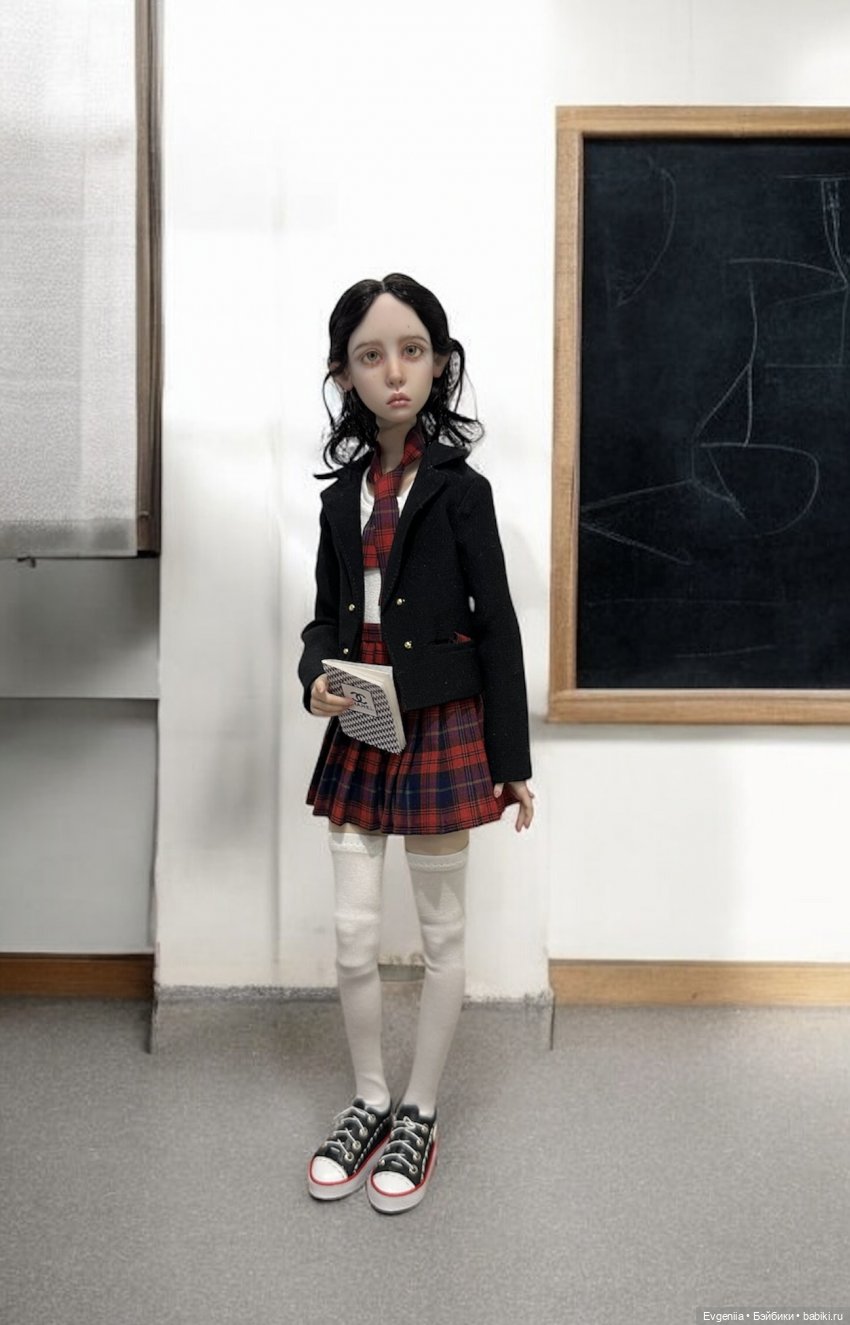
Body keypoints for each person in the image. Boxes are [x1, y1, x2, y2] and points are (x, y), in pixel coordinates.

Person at [298, 272, 534, 1214]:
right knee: (354, 932)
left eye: (412, 351)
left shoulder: (463, 493)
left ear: (439, 363)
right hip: (360, 720)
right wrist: (314, 676)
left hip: (442, 727)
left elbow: (500, 625)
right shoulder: (338, 498)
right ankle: (367, 1097)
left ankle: (420, 1111)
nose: (394, 372)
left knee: (442, 936)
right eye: (371, 355)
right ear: (344, 374)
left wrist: (511, 763)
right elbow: (323, 619)